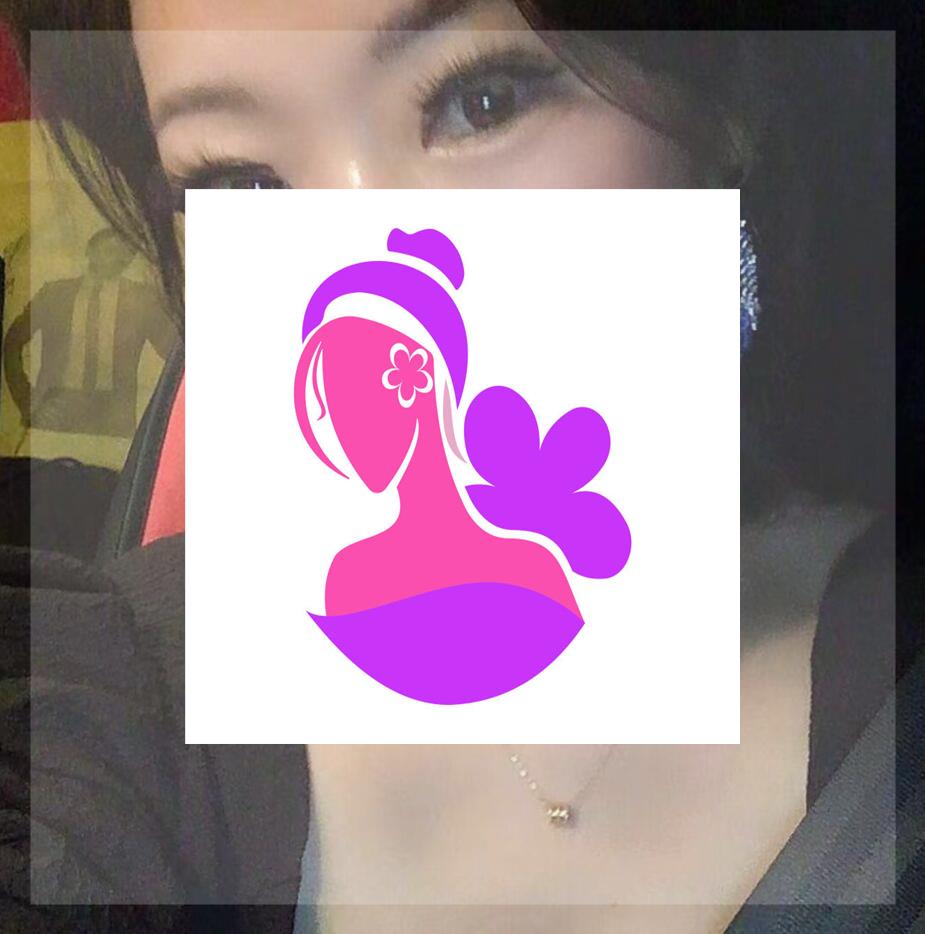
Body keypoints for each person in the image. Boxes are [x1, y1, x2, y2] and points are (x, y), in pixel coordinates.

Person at [0, 6, 903, 934]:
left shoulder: (881, 666)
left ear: (721, 110)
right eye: (245, 186)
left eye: (482, 101)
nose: (357, 251)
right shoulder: (118, 699)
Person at [3, 226, 174, 437]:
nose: (117, 258)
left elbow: (173, 353)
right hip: (55, 410)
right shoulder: (55, 294)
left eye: (125, 252)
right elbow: (12, 343)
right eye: (110, 250)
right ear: (90, 251)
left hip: (113, 417)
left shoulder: (141, 300)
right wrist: (27, 400)